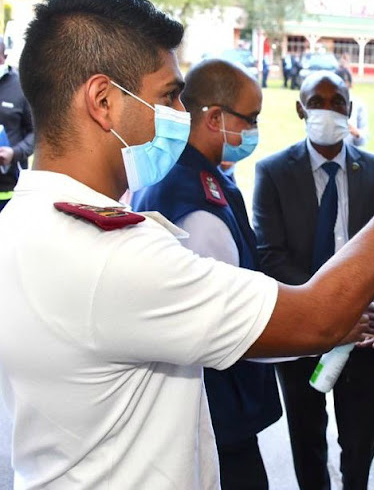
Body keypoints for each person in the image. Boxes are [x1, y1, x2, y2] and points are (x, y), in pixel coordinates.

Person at [0, 0, 374, 488]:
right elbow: (317, 318)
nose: (180, 116)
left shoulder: (21, 220)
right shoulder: (113, 256)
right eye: (167, 97)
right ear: (103, 101)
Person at [129, 59, 281, 489]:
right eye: (250, 119)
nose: (253, 130)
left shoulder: (188, 174)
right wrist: (329, 326)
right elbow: (235, 324)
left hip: (210, 409)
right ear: (215, 117)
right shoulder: (196, 202)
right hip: (214, 413)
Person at [253, 71, 374, 490]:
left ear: (349, 109)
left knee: (363, 430)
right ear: (301, 109)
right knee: (306, 434)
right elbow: (270, 255)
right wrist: (326, 306)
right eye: (317, 101)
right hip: (301, 329)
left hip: (362, 329)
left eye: (337, 101)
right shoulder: (273, 173)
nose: (328, 109)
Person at [0, 40, 34, 212]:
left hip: (10, 193)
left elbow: (36, 134)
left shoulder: (20, 87)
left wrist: (15, 153)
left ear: (4, 57)